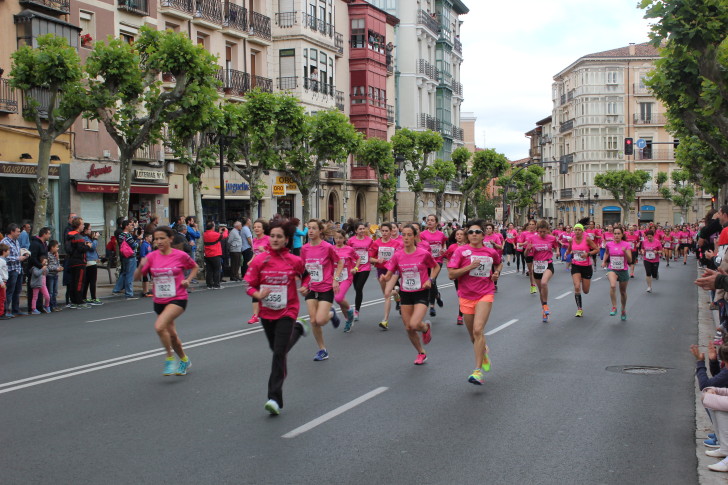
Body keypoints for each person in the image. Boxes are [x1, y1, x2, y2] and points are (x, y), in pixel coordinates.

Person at [244, 218, 312, 415]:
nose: (274, 239)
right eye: (272, 236)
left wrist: (305, 286)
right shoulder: (259, 260)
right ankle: (299, 329)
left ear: (286, 239)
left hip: (287, 310)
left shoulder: (294, 260)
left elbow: (306, 276)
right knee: (276, 349)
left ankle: (274, 398)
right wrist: (257, 295)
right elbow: (249, 284)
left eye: (278, 236)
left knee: (278, 353)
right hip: (267, 311)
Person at [135, 226, 199, 377]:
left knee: (159, 327)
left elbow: (195, 267)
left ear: (170, 238)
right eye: (156, 239)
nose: (158, 241)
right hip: (159, 300)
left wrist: (188, 280)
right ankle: (184, 359)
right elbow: (137, 277)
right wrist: (141, 265)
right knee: (172, 335)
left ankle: (170, 358)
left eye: (162, 238)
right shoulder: (152, 256)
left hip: (178, 298)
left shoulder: (180, 255)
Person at [447, 219, 502, 385]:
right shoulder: (460, 252)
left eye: (477, 232)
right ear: (467, 235)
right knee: (473, 336)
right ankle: (483, 351)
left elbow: (498, 264)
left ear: (483, 235)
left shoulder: (490, 252)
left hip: (485, 293)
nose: (474, 235)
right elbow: (451, 274)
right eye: (470, 232)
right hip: (465, 296)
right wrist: (469, 268)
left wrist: (496, 274)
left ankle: (477, 372)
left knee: (478, 330)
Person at [380, 224, 438, 365]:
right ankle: (421, 353)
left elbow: (435, 266)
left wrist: (430, 280)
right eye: (404, 235)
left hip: (421, 292)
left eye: (409, 235)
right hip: (405, 293)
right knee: (408, 328)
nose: (406, 238)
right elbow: (389, 274)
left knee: (414, 323)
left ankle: (425, 328)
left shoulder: (423, 253)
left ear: (414, 236)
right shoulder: (397, 256)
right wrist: (385, 278)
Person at [300, 219, 344, 361]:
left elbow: (340, 262)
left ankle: (331, 314)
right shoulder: (304, 248)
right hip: (312, 287)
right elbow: (303, 269)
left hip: (326, 287)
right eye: (309, 228)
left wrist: (336, 279)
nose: (311, 231)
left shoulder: (327, 247)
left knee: (320, 320)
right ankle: (322, 350)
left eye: (314, 228)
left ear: (320, 231)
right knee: (313, 321)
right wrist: (304, 285)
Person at [368, 222, 402, 330]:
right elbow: (370, 258)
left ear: (391, 232)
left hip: (393, 271)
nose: (384, 233)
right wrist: (378, 260)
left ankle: (385, 320)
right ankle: (396, 292)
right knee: (386, 293)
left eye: (386, 231)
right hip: (381, 269)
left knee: (387, 294)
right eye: (382, 231)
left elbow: (400, 257)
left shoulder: (396, 244)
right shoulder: (376, 243)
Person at [525, 220, 559, 323]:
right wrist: (528, 249)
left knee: (544, 282)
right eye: (540, 231)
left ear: (547, 230)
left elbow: (556, 246)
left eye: (544, 231)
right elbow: (526, 255)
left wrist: (557, 252)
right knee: (541, 291)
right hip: (537, 266)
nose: (542, 233)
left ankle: (545, 306)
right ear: (537, 230)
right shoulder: (532, 238)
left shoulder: (552, 238)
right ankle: (544, 310)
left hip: (548, 264)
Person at [566, 221, 599, 317]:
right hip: (576, 265)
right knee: (577, 287)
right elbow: (569, 249)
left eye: (579, 230)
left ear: (582, 231)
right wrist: (566, 253)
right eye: (575, 230)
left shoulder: (587, 239)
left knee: (586, 291)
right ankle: (579, 309)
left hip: (586, 266)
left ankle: (583, 280)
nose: (577, 231)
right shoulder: (572, 240)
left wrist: (588, 254)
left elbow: (596, 249)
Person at [603, 225, 632, 320]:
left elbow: (630, 260)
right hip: (612, 269)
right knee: (612, 285)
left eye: (618, 233)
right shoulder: (609, 244)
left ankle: (623, 309)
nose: (616, 235)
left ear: (622, 234)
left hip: (623, 270)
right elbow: (607, 253)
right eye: (615, 233)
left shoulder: (626, 245)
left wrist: (626, 252)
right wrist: (604, 261)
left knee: (623, 292)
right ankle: (614, 307)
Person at [332, 229, 359, 333]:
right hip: (334, 278)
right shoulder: (331, 249)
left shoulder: (349, 249)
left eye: (340, 238)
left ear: (344, 238)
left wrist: (355, 268)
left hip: (346, 277)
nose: (338, 240)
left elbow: (358, 258)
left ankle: (350, 309)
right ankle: (348, 319)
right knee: (340, 301)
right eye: (336, 238)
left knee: (338, 298)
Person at [420, 214, 447, 317]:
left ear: (436, 223)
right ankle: (437, 296)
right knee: (430, 282)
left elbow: (444, 243)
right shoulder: (422, 234)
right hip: (426, 261)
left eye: (432, 220)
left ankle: (432, 306)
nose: (430, 222)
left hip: (437, 260)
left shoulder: (441, 234)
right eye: (428, 220)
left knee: (432, 280)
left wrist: (444, 249)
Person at [1, 224, 30, 318]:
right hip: (10, 269)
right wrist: (18, 258)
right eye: (17, 231)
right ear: (11, 231)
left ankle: (16, 309)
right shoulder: (4, 242)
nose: (19, 233)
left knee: (17, 290)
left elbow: (17, 252)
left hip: (18, 268)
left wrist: (24, 254)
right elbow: (4, 256)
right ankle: (5, 310)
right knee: (9, 291)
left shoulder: (16, 241)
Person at [347, 221, 373, 321]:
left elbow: (372, 251)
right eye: (360, 229)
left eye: (363, 228)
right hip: (354, 267)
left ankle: (356, 310)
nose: (362, 230)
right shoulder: (351, 240)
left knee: (359, 287)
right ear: (356, 231)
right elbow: (348, 253)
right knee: (356, 288)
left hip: (365, 266)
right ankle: (356, 309)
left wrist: (373, 259)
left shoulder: (369, 240)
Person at [66, 217, 91, 309]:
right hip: (79, 261)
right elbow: (81, 249)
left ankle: (73, 300)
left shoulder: (69, 235)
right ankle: (79, 300)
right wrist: (87, 246)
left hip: (72, 261)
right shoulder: (78, 237)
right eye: (82, 224)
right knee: (80, 282)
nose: (84, 226)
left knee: (73, 281)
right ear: (78, 225)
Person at [112, 219, 139, 300]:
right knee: (129, 275)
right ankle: (129, 293)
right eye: (131, 225)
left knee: (124, 273)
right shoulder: (128, 235)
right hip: (131, 256)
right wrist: (138, 241)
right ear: (126, 226)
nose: (132, 227)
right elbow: (134, 245)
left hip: (124, 255)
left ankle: (116, 289)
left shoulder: (121, 235)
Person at [26, 227, 50, 313]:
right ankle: (32, 308)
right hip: (35, 269)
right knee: (34, 290)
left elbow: (45, 255)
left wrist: (45, 264)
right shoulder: (35, 244)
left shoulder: (45, 244)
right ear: (44, 234)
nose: (49, 235)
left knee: (41, 288)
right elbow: (33, 257)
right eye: (48, 234)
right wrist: (40, 266)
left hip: (42, 269)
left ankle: (39, 306)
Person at [82, 223, 103, 305]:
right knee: (92, 281)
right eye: (90, 229)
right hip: (90, 261)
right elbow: (92, 247)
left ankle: (84, 297)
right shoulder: (85, 238)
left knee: (87, 281)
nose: (91, 231)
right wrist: (95, 238)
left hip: (90, 260)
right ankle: (93, 298)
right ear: (86, 230)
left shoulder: (86, 237)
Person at [203, 221, 223, 289]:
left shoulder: (205, 234)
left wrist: (219, 232)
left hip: (208, 254)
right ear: (212, 227)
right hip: (215, 253)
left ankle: (209, 284)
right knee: (217, 269)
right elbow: (224, 236)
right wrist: (225, 230)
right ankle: (216, 284)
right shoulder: (215, 234)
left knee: (209, 270)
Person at [46, 240, 62, 311]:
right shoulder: (48, 255)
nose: (57, 249)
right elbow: (48, 266)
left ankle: (55, 305)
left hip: (55, 274)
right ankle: (50, 306)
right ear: (52, 247)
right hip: (50, 275)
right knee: (51, 292)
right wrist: (56, 268)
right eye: (56, 247)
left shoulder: (55, 255)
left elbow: (57, 263)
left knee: (55, 291)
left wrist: (59, 265)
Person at [140, 232, 154, 297]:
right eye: (150, 237)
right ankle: (145, 291)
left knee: (147, 278)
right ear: (146, 238)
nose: (151, 238)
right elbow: (143, 255)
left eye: (151, 237)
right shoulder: (144, 245)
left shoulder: (149, 245)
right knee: (145, 278)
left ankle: (146, 290)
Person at [0, 244, 8, 320]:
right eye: (8, 251)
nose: (9, 252)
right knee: (2, 298)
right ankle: (1, 313)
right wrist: (1, 282)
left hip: (3, 281)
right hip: (2, 281)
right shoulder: (1, 261)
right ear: (4, 252)